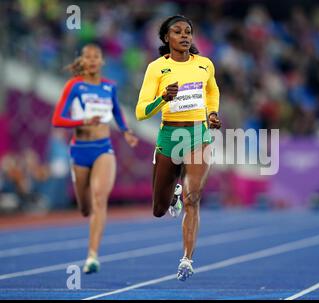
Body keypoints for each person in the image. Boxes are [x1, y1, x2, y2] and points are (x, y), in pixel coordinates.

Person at [135, 15, 221, 281]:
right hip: (169, 136)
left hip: (198, 134)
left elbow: (212, 91)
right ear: (166, 38)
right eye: (177, 31)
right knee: (159, 209)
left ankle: (186, 259)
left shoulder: (204, 65)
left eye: (188, 32)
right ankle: (172, 193)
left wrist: (213, 113)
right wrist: (163, 98)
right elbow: (140, 112)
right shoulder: (156, 68)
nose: (184, 36)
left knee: (192, 198)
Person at [52, 44, 138, 274]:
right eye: (87, 57)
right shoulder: (75, 86)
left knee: (100, 199)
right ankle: (85, 209)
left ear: (102, 61)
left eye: (96, 57)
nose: (91, 60)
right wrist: (82, 122)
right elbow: (58, 119)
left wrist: (126, 131)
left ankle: (92, 255)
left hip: (103, 149)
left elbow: (118, 112)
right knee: (85, 206)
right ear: (83, 61)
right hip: (80, 150)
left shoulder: (110, 86)